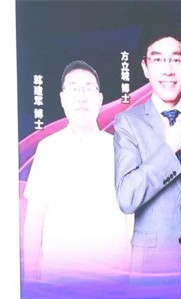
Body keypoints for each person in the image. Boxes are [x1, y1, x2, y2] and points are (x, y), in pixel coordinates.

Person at [113, 20, 181, 292]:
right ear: (145, 67)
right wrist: (169, 149)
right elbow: (126, 197)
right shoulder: (128, 124)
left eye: (175, 59)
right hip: (150, 272)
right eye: (158, 59)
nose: (168, 69)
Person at [23, 60, 132, 282]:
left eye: (88, 89)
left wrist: (130, 276)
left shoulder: (120, 148)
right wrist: (31, 280)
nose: (82, 97)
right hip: (58, 278)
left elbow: (130, 217)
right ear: (62, 99)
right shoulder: (47, 149)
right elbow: (35, 218)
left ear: (100, 99)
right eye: (74, 89)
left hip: (110, 278)